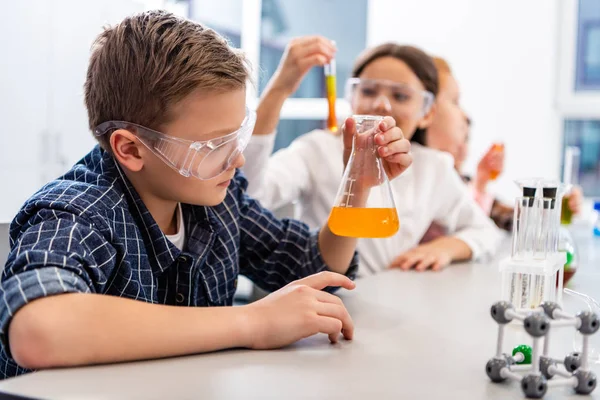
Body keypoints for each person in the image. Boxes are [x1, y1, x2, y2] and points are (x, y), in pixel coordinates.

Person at [0, 12, 413, 378]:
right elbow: (39, 330)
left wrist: (357, 180)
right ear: (130, 148)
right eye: (214, 145)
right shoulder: (76, 212)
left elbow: (317, 266)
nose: (236, 159)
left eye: (237, 134)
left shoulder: (215, 196)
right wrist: (250, 323)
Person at [243, 39, 501, 275]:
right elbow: (250, 194)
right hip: (324, 297)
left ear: (427, 112)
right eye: (368, 91)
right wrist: (279, 90)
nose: (382, 105)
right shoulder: (316, 149)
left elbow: (484, 231)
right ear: (350, 97)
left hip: (389, 303)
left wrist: (445, 248)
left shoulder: (433, 167)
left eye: (400, 96)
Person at [419, 56, 583, 231]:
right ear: (426, 111)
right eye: (454, 101)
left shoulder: (461, 181)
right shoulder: (422, 180)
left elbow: (506, 218)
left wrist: (553, 211)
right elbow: (464, 229)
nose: (465, 116)